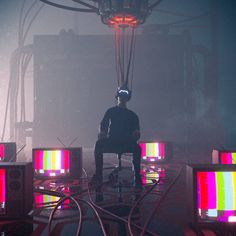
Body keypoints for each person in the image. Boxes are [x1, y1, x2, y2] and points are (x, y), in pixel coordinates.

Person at [90, 87, 142, 188]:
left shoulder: (133, 115)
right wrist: (102, 132)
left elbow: (137, 131)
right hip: (112, 141)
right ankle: (98, 174)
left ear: (127, 98)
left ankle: (137, 176)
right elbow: (103, 125)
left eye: (124, 96)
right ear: (117, 97)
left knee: (137, 148)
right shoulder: (111, 111)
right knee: (98, 144)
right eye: (120, 96)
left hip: (126, 142)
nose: (122, 98)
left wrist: (135, 136)